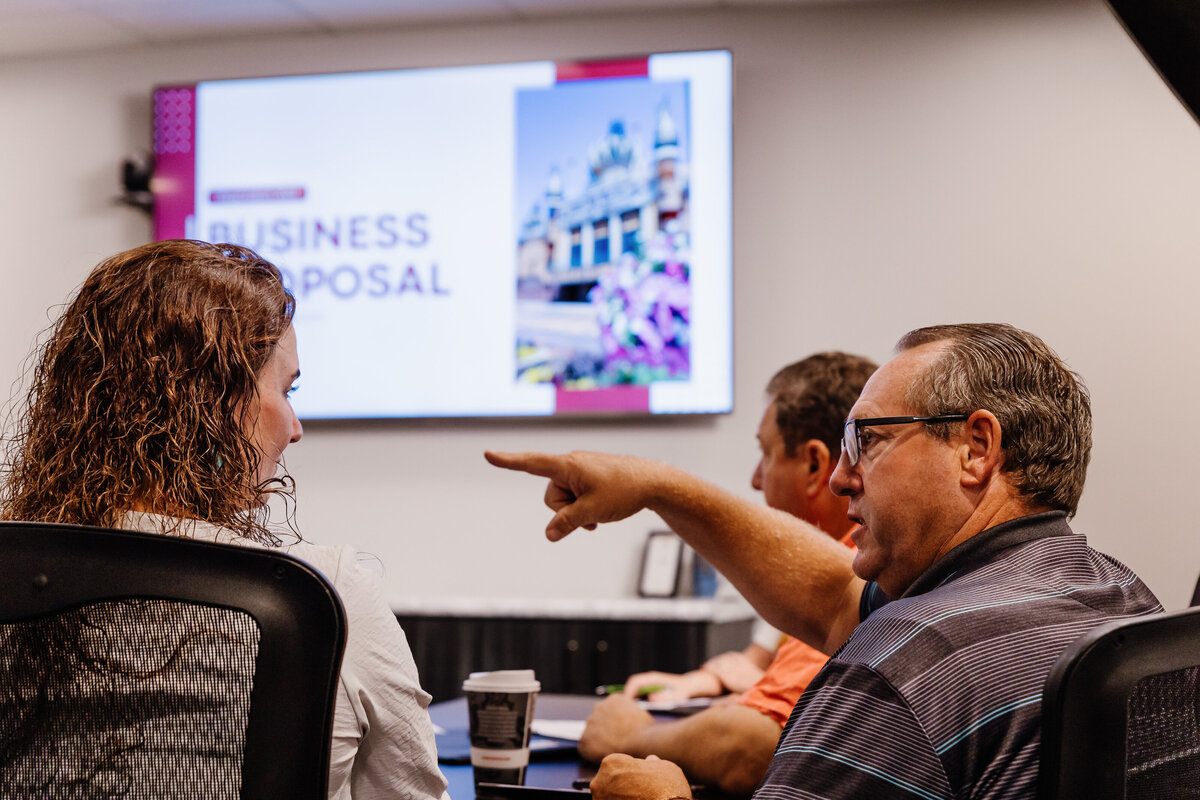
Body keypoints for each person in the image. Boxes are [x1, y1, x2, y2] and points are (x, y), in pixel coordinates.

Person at [486, 322, 1162, 800]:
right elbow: (830, 596)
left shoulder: (906, 665)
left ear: (976, 448)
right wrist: (660, 486)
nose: (841, 479)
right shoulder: (1120, 598)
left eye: (864, 441)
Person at [0, 240, 448, 800]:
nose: (294, 427)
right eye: (286, 391)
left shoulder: (13, 575)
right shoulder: (323, 591)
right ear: (213, 401)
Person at [581, 352, 876, 795]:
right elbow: (757, 666)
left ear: (815, 466)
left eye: (766, 453)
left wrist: (630, 738)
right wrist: (709, 680)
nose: (756, 480)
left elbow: (753, 745)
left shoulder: (860, 577)